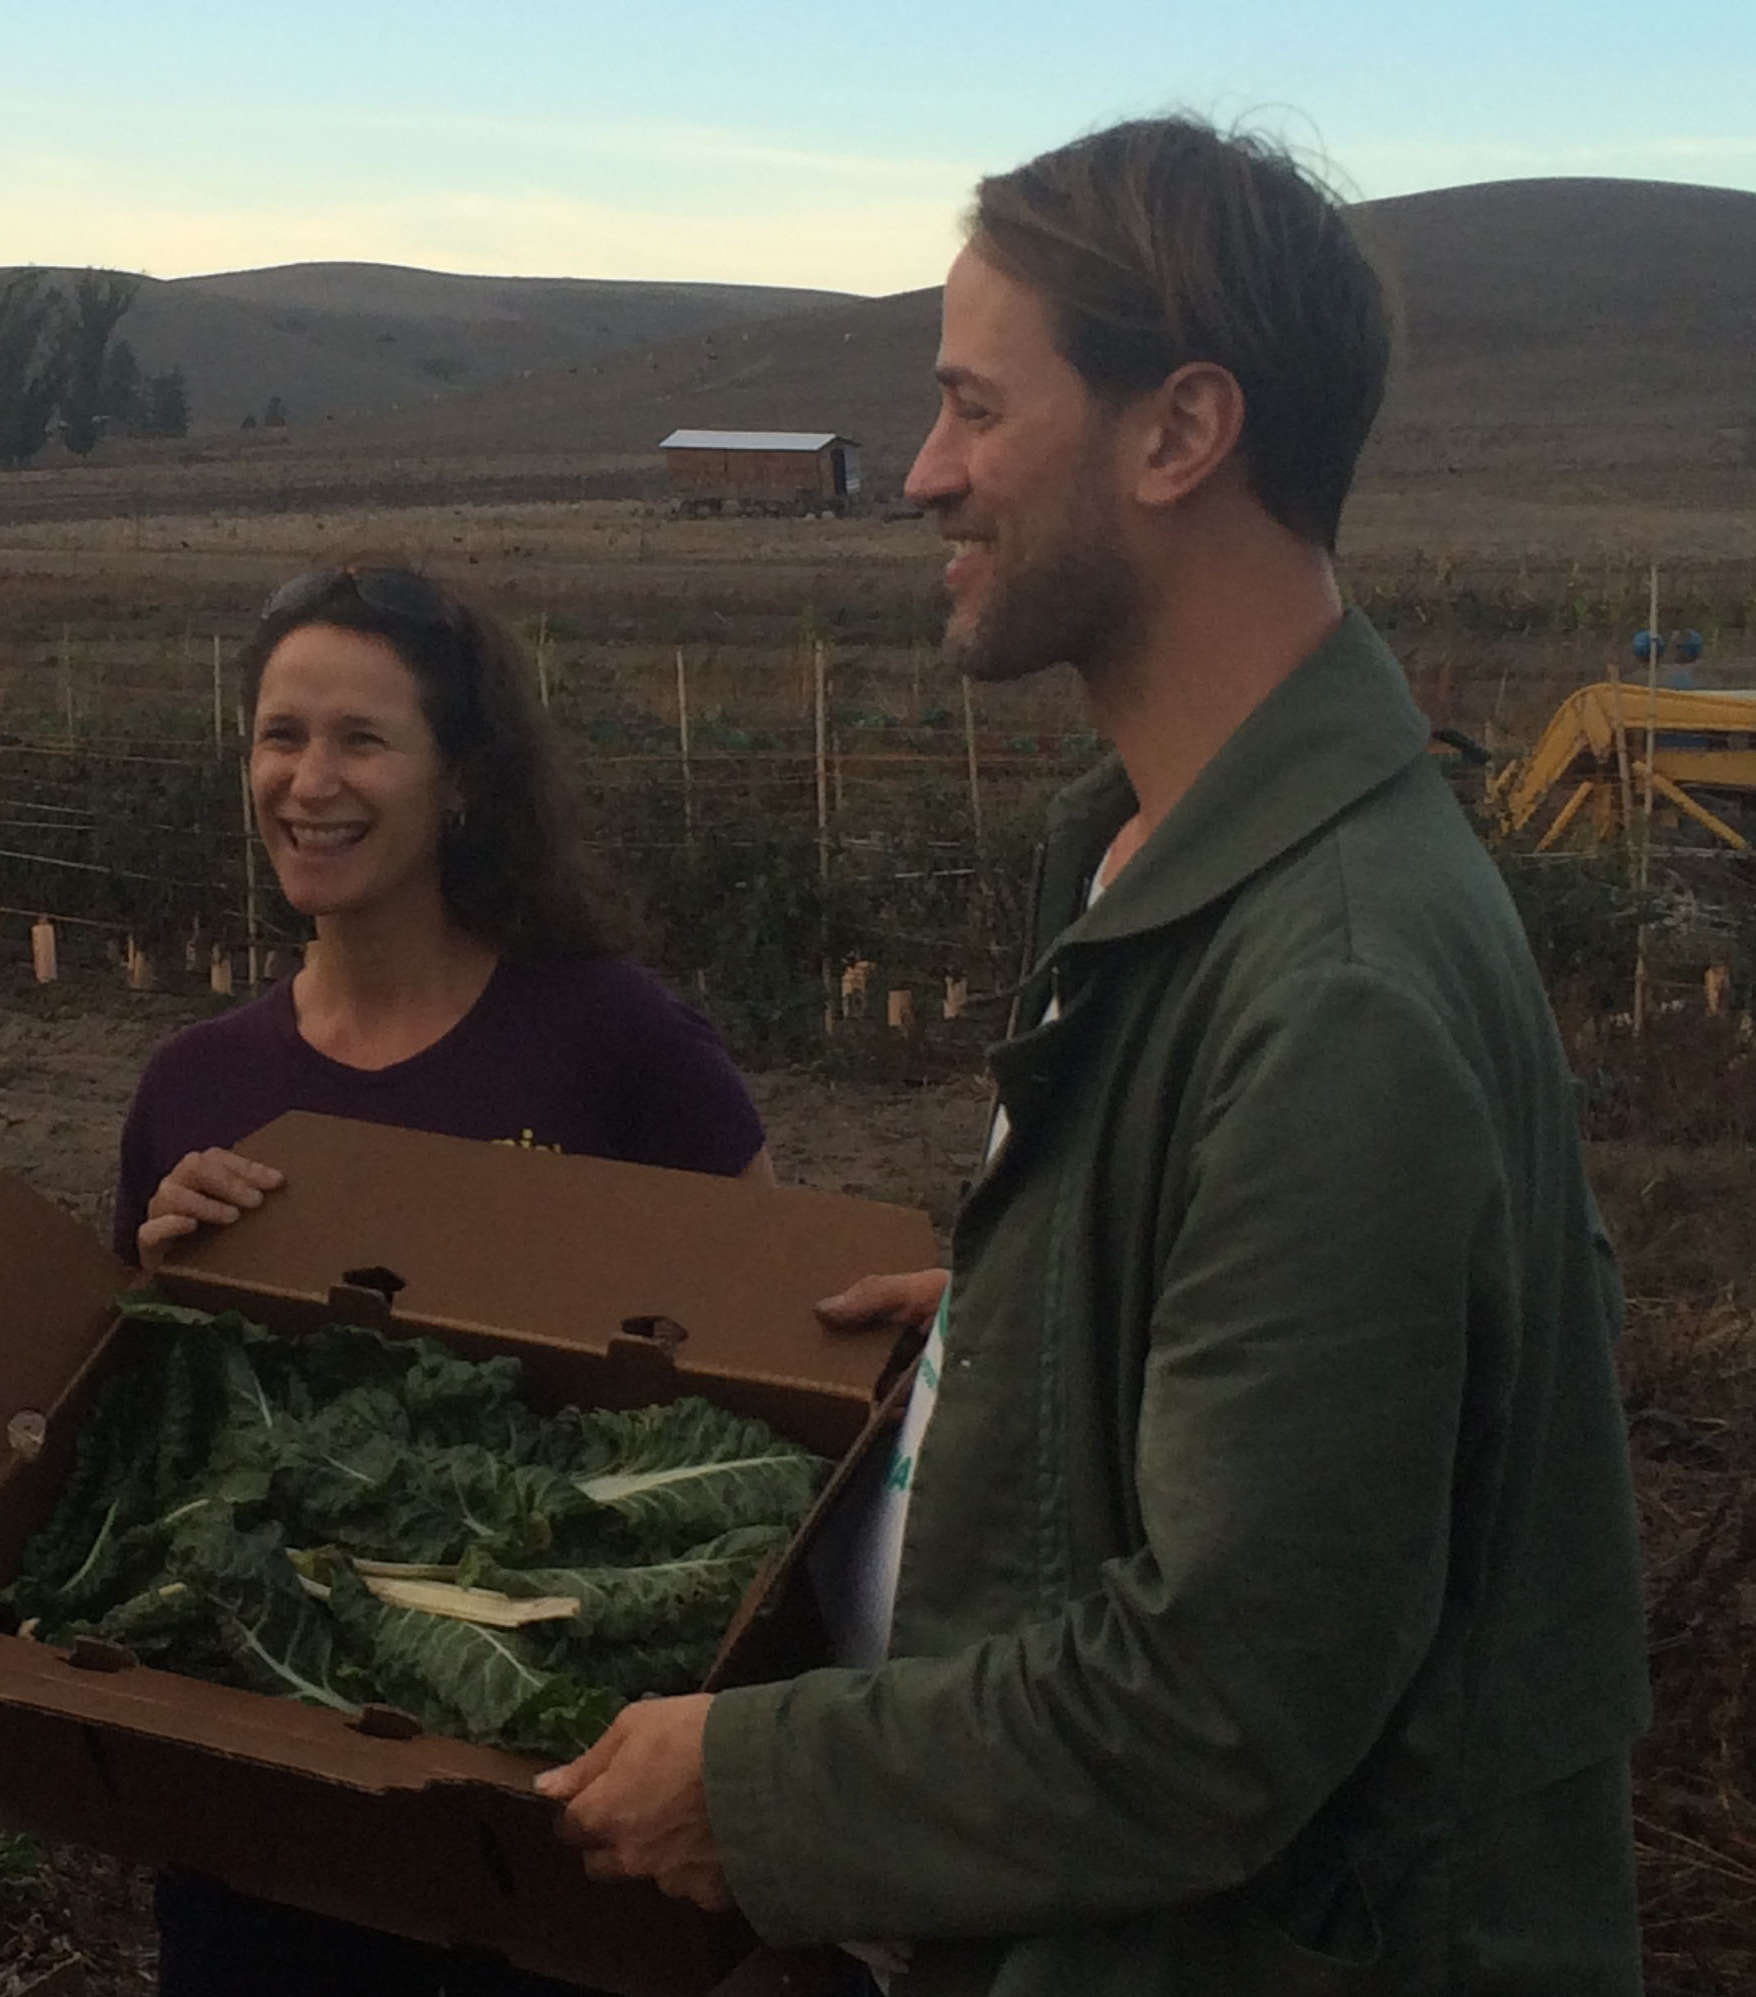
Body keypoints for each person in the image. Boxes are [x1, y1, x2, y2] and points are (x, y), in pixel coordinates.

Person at [540, 117, 1650, 1996]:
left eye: (974, 410)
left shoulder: (1338, 991)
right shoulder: (1146, 848)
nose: (920, 476)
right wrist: (1023, 1314)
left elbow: (1219, 1704)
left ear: (1175, 432)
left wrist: (757, 1787)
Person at [116, 562, 772, 1997]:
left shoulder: (613, 1038)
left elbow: (779, 1360)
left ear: (462, 779)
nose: (309, 780)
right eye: (280, 735)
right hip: (265, 1807)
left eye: (361, 739)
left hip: (545, 1803)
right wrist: (161, 1291)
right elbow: (132, 1443)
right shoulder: (197, 1085)